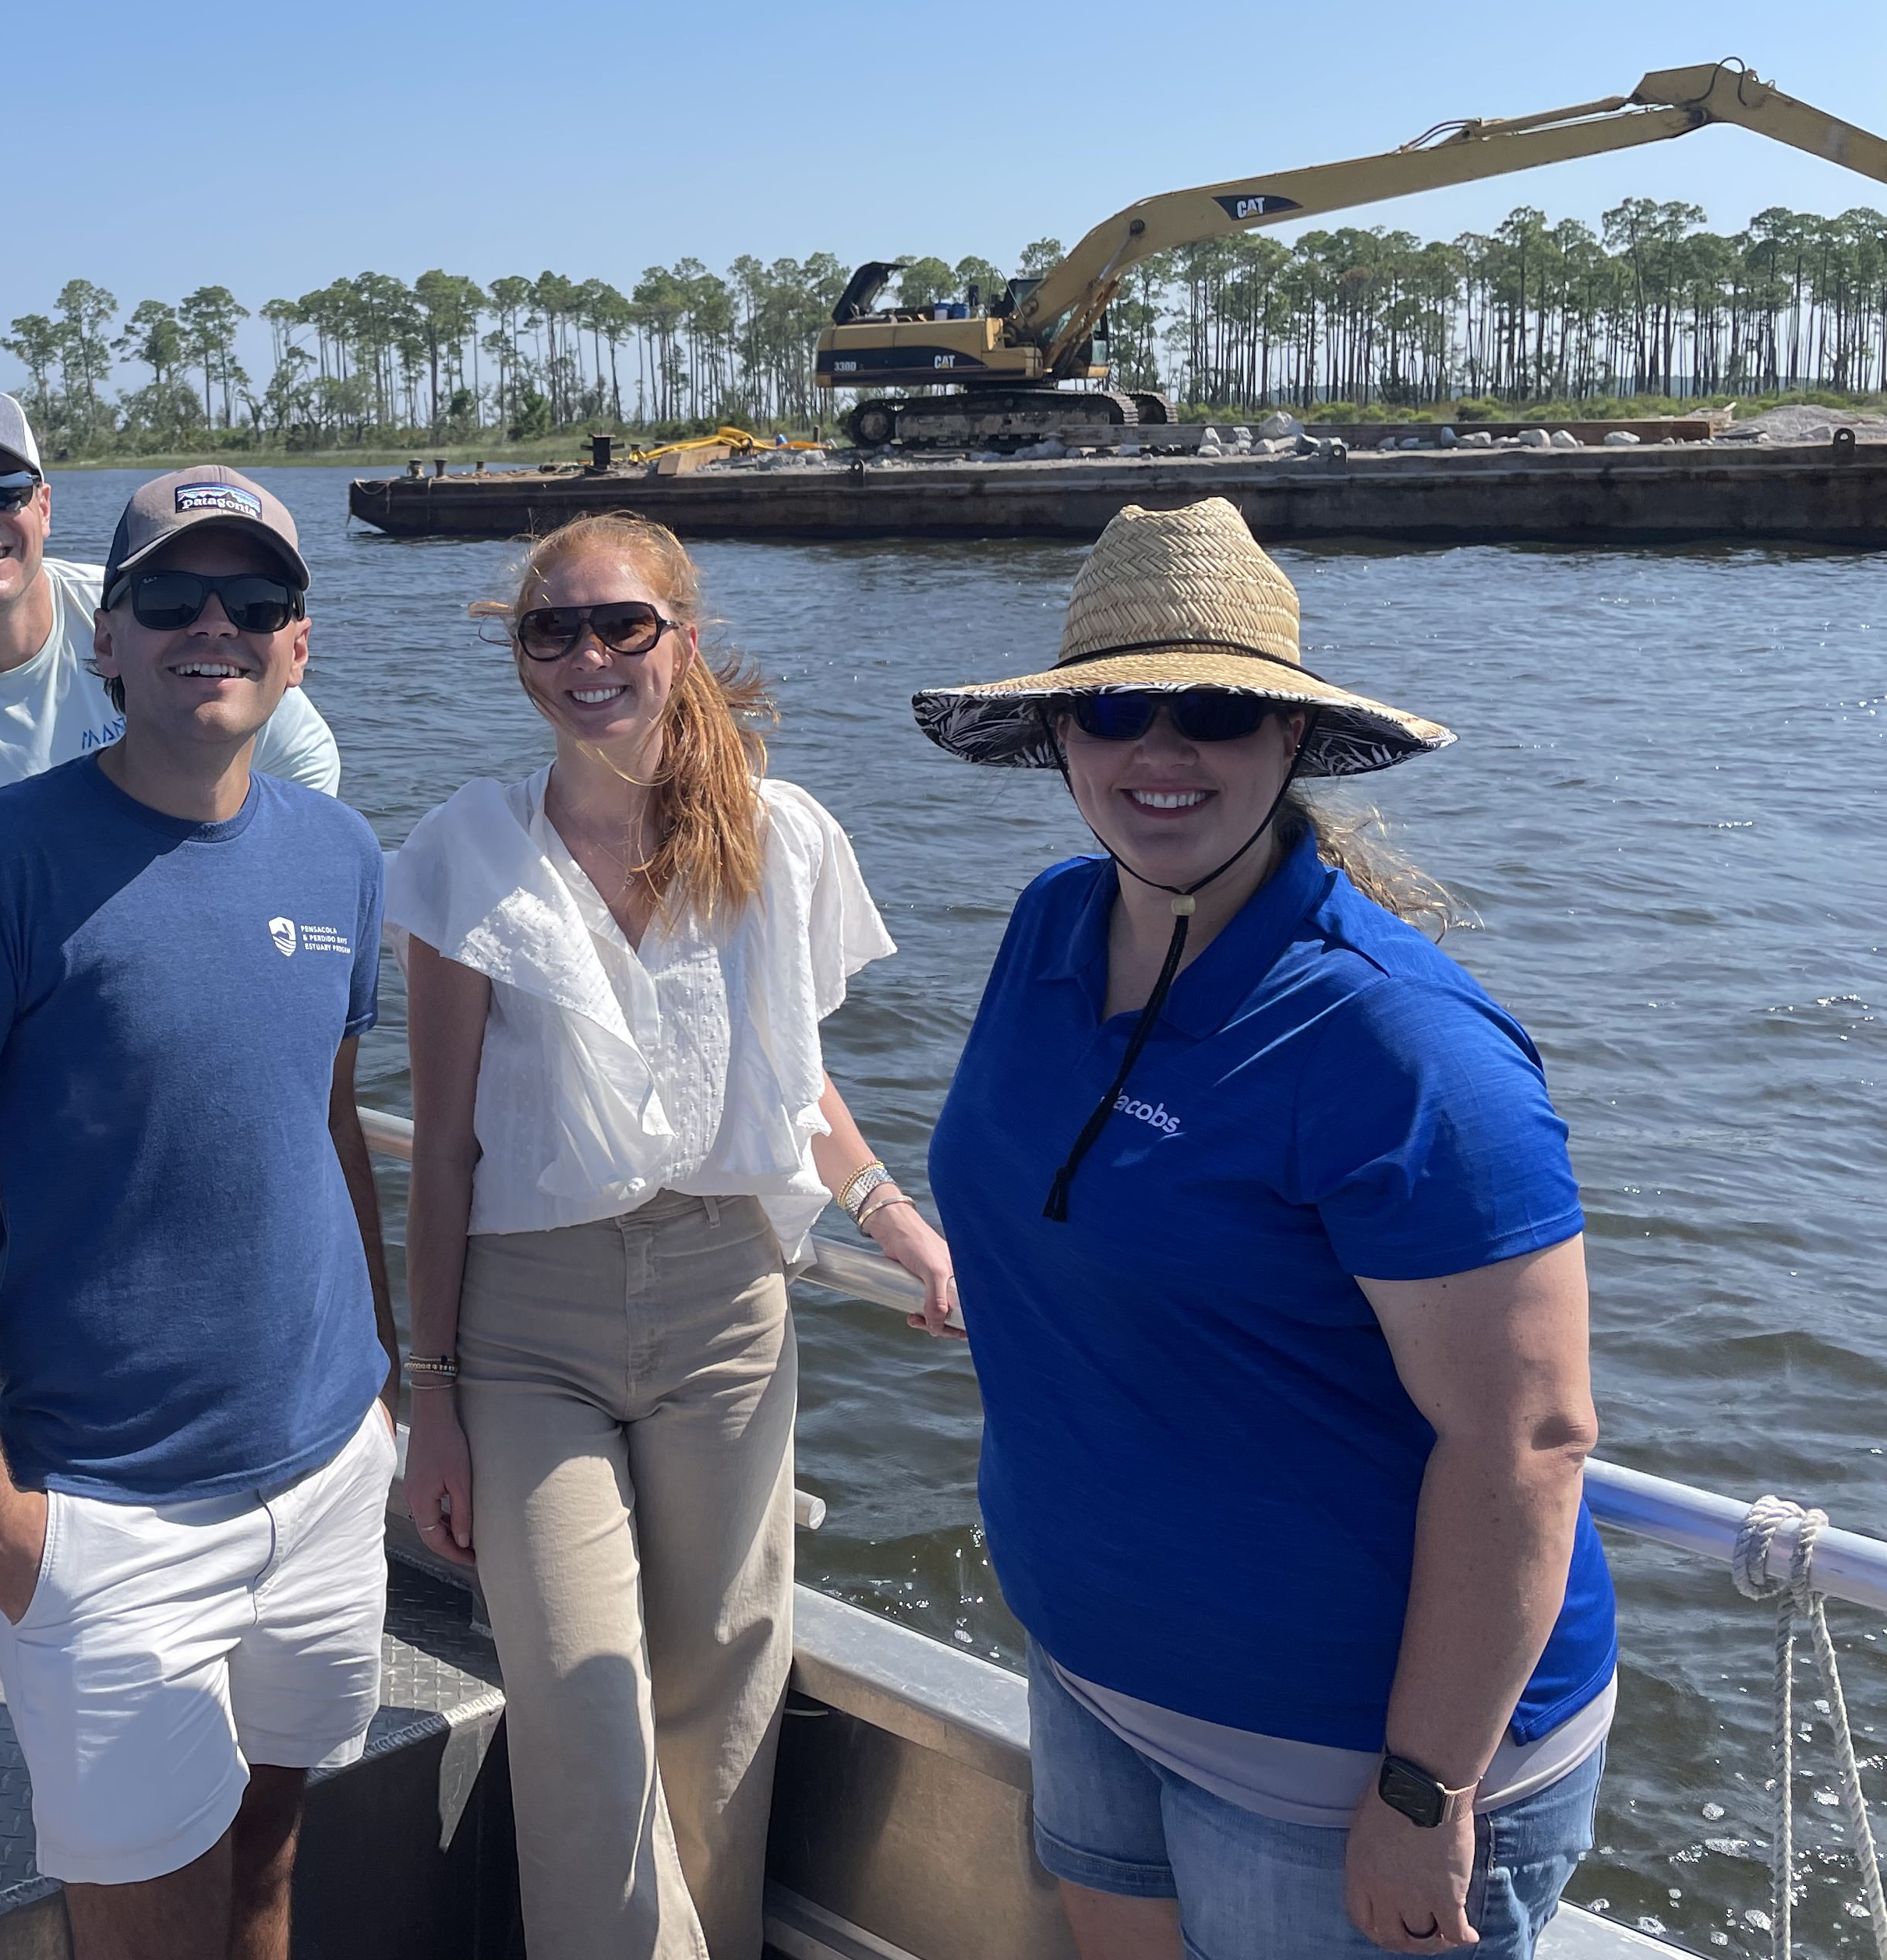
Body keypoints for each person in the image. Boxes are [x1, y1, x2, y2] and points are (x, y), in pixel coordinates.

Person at [911, 497, 1610, 1960]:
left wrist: (1424, 1785)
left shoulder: (1395, 1037)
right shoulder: (1048, 923)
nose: (1161, 750)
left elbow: (1528, 1438)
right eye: (1115, 707)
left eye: (1218, 709)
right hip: (1093, 1667)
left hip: (1341, 1755)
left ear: (1287, 738)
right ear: (1060, 737)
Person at [385, 513, 957, 1960]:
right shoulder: (466, 852)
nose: (588, 655)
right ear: (520, 659)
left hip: (729, 1306)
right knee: (579, 1690)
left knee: (722, 1682)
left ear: (681, 641)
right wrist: (430, 1388)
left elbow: (791, 1074)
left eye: (620, 625)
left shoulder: (781, 830)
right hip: (526, 1325)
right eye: (552, 630)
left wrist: (889, 1210)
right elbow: (439, 1144)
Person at [0, 467, 398, 1960]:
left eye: (254, 601)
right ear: (106, 639)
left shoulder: (342, 854)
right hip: (104, 1508)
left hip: (331, 1469)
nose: (209, 627)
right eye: (169, 597)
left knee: (269, 1872)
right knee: (143, 1928)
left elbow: (330, 1124)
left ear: (300, 644)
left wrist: (391, 1390)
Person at [0, 385, 341, 1215]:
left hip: (144, 970)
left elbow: (303, 752)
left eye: (5, 493)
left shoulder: (153, 615)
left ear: (45, 506)